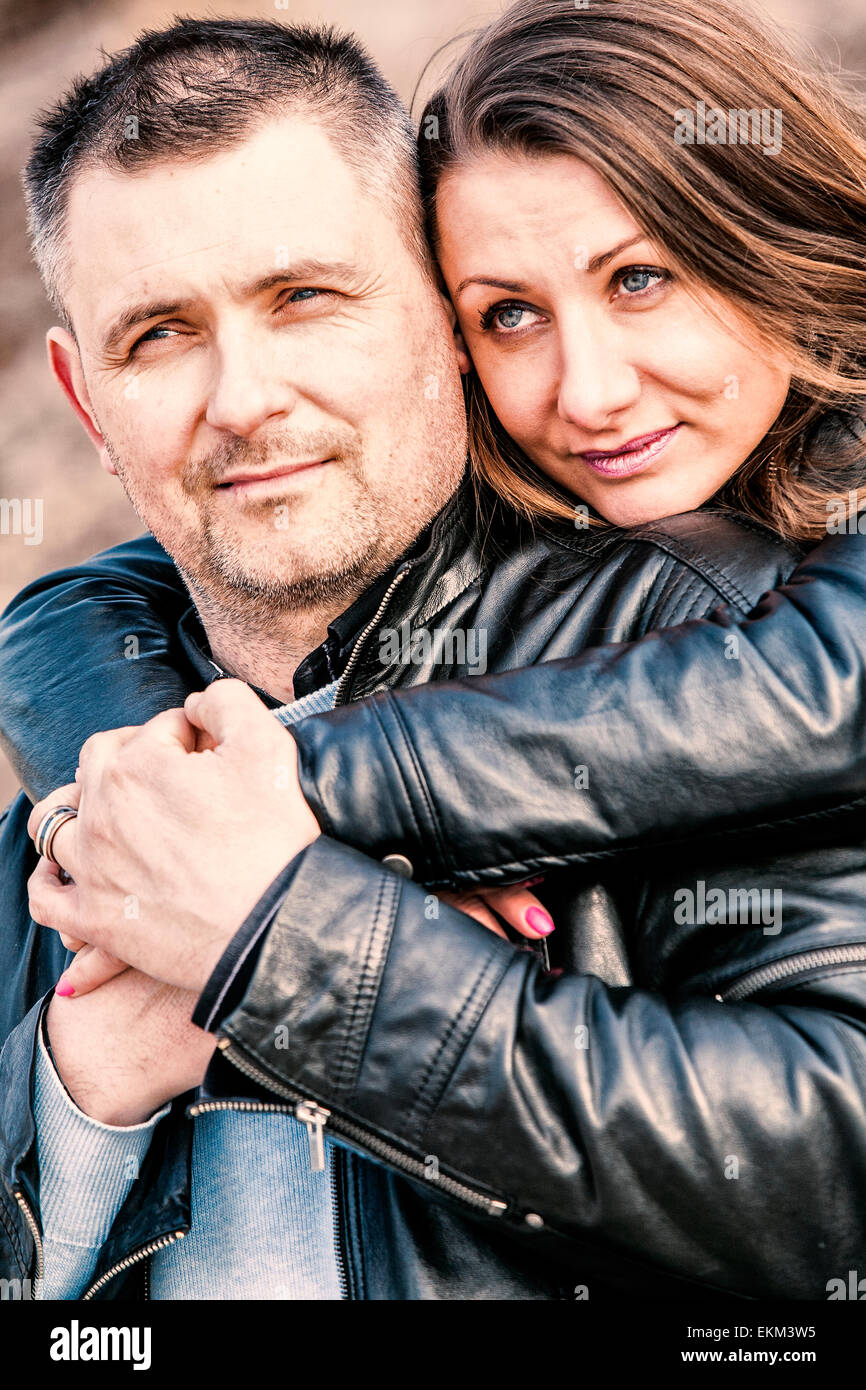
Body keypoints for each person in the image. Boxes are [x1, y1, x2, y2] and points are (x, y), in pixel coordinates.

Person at [3, 3, 866, 1301]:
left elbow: (831, 1185)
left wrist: (284, 932)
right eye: (159, 334)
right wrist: (81, 1084)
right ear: (87, 401)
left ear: (427, 322)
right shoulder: (99, 788)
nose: (243, 398)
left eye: (305, 298)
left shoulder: (712, 626)